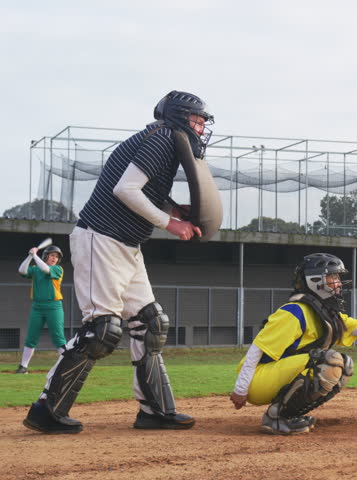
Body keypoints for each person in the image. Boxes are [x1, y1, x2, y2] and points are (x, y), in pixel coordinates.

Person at [23, 90, 215, 434]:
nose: (200, 129)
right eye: (196, 121)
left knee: (151, 323)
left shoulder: (165, 141)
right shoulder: (162, 140)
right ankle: (45, 410)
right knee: (101, 331)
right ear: (178, 118)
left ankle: (153, 411)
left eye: (203, 122)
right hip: (102, 238)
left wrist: (174, 209)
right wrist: (171, 223)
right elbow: (125, 190)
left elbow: (145, 189)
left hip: (127, 244)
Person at [230, 253, 357, 435]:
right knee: (330, 361)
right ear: (315, 280)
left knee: (345, 366)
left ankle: (288, 415)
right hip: (258, 379)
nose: (338, 283)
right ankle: (275, 418)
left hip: (277, 375)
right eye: (333, 277)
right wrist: (241, 389)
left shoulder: (324, 312)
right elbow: (257, 349)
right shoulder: (294, 311)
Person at [15, 245, 67, 374]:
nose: (54, 258)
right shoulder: (35, 269)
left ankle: (67, 365)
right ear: (46, 256)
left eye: (56, 256)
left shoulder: (58, 269)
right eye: (52, 255)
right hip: (37, 307)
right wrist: (29, 256)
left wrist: (35, 255)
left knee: (58, 337)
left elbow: (45, 269)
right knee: (31, 337)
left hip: (54, 306)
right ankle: (23, 367)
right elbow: (22, 270)